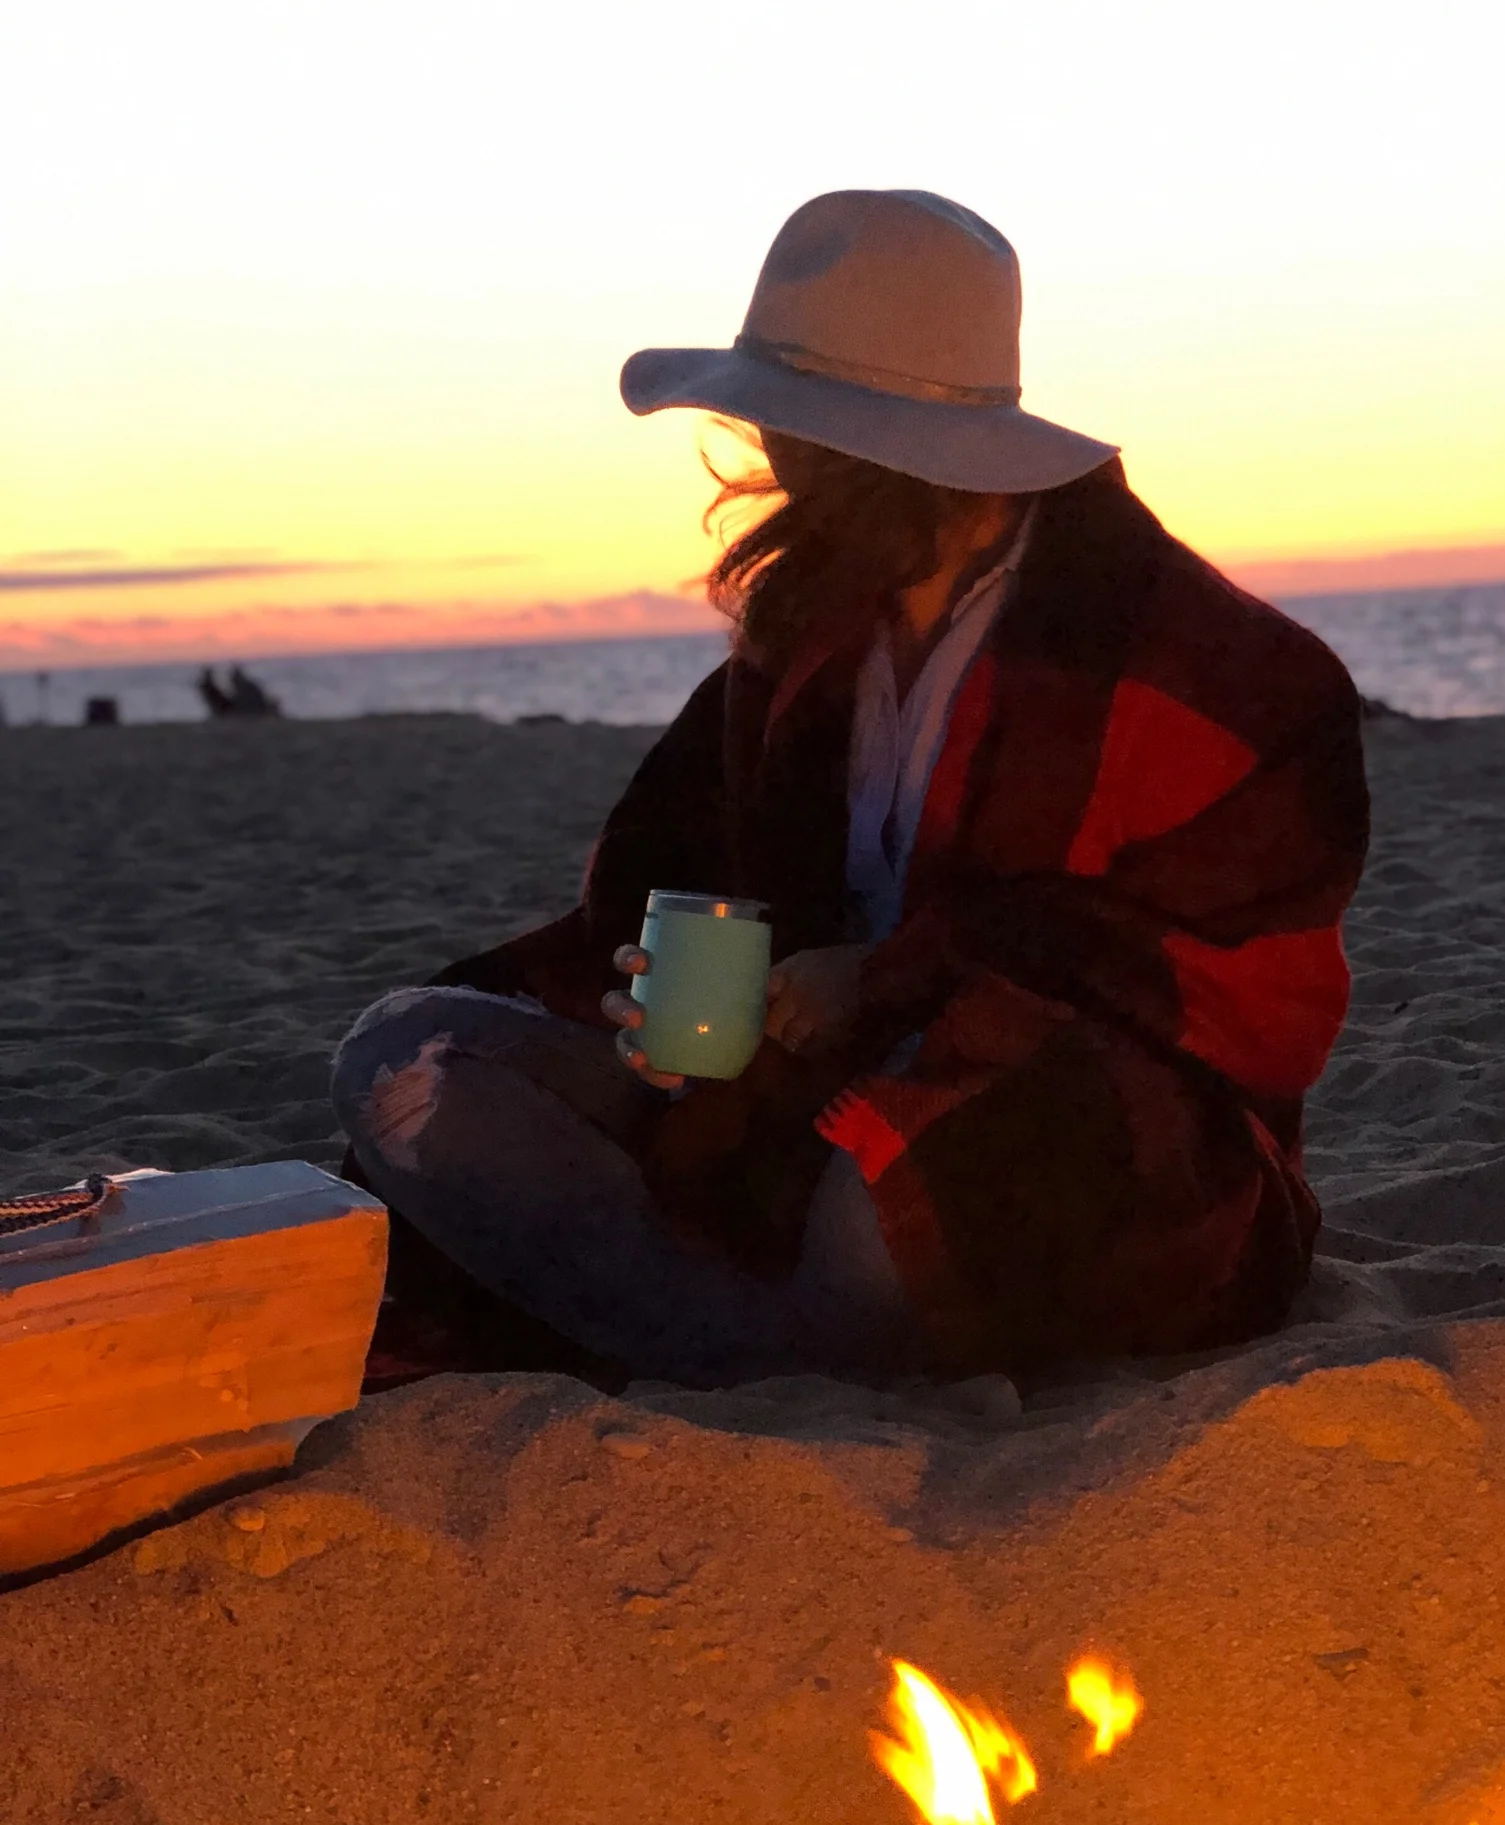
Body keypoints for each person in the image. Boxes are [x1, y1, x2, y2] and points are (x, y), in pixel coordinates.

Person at [331, 189, 1369, 1388]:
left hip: (1068, 1150)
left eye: (809, 438)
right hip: (790, 1105)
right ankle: (752, 1345)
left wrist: (883, 980)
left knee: (901, 1189)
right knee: (409, 1064)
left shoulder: (1222, 672)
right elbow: (668, 877)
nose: (778, 465)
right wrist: (656, 1002)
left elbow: (1216, 1009)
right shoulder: (806, 638)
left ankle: (709, 1338)